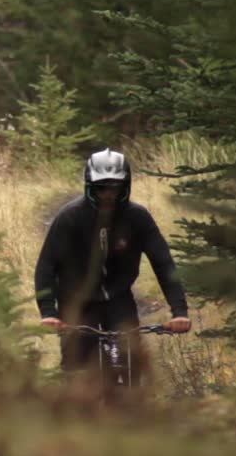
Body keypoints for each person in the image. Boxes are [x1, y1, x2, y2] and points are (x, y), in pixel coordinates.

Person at [34, 148, 192, 372]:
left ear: (126, 187)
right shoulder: (70, 217)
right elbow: (46, 267)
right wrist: (49, 313)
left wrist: (179, 312)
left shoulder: (138, 218)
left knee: (132, 362)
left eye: (115, 188)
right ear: (90, 187)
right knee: (77, 369)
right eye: (101, 188)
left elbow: (164, 264)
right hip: (77, 302)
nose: (108, 194)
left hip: (119, 299)